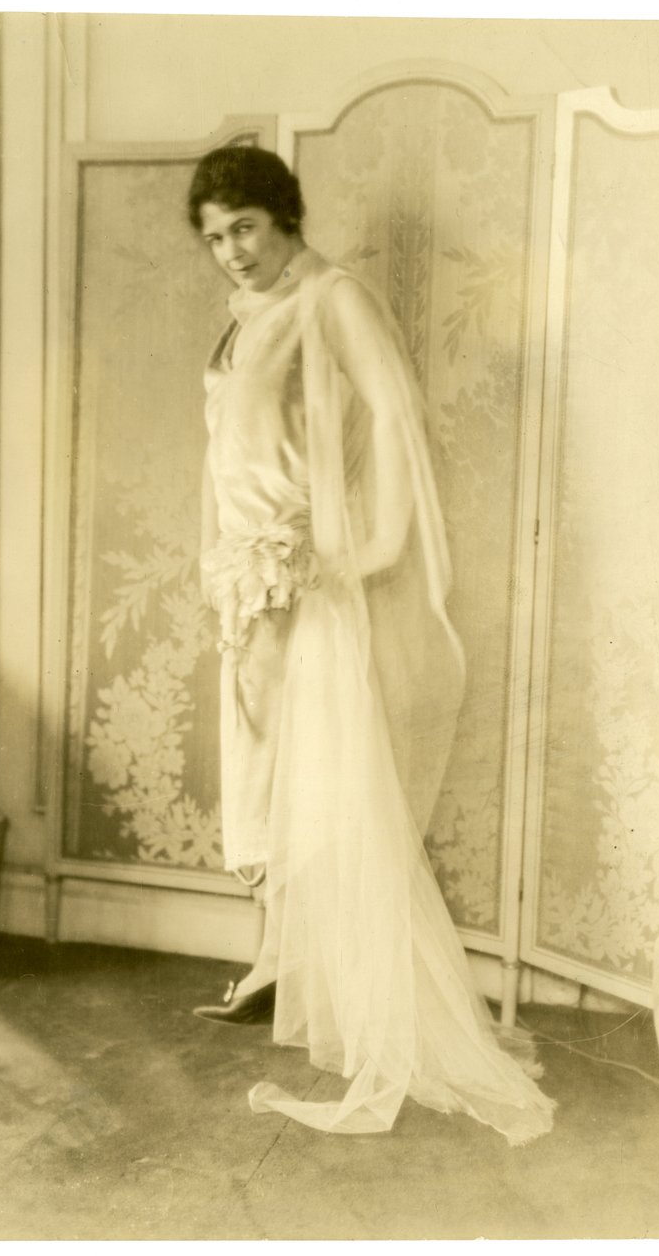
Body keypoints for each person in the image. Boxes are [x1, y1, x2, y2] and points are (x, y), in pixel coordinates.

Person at [188, 144, 554, 1143]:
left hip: (307, 581)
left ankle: (378, 1015)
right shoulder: (246, 312)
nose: (231, 251)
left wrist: (378, 542)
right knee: (271, 788)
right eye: (215, 237)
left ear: (284, 217)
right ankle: (299, 976)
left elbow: (395, 412)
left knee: (328, 792)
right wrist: (222, 561)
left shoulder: (332, 296)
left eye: (245, 228)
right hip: (249, 584)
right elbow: (231, 454)